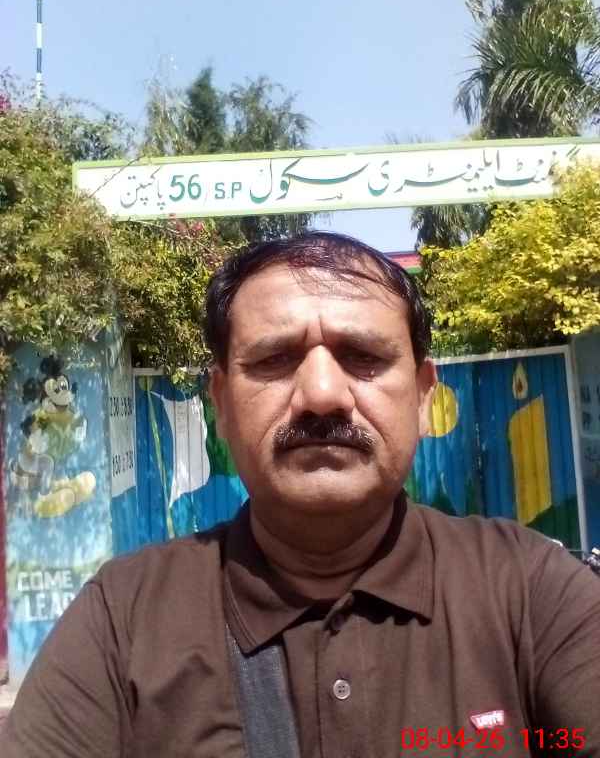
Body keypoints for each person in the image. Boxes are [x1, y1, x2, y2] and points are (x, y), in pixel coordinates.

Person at [1, 231, 599, 757]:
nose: (321, 394)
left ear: (423, 397)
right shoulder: (123, 620)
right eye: (275, 359)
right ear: (221, 404)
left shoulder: (531, 593)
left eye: (363, 356)